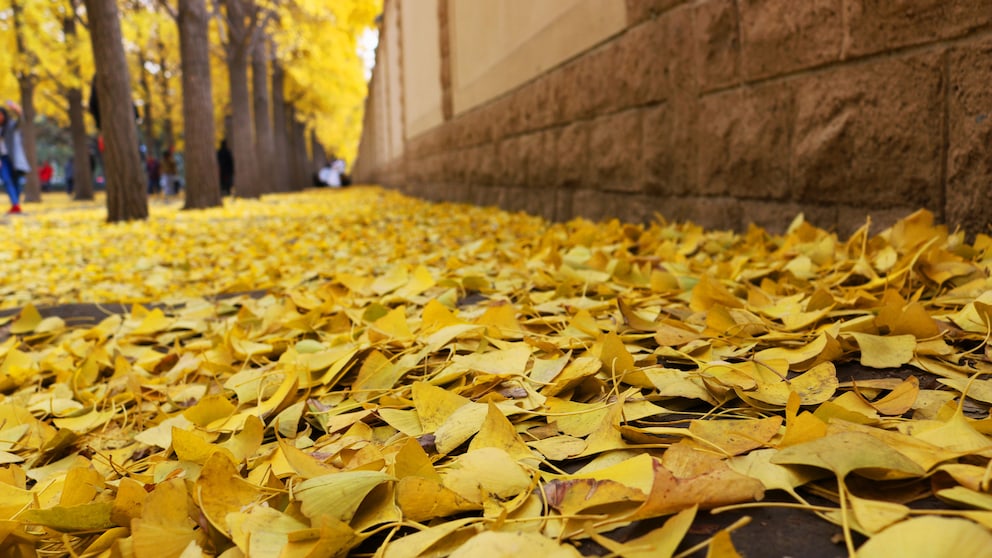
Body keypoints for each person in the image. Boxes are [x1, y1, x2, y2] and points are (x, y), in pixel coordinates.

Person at [0, 101, 29, 214]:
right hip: (3, 159)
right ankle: (15, 204)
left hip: (15, 159)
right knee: (7, 180)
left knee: (17, 182)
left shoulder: (11, 126)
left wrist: (18, 111)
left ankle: (15, 205)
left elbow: (21, 122)